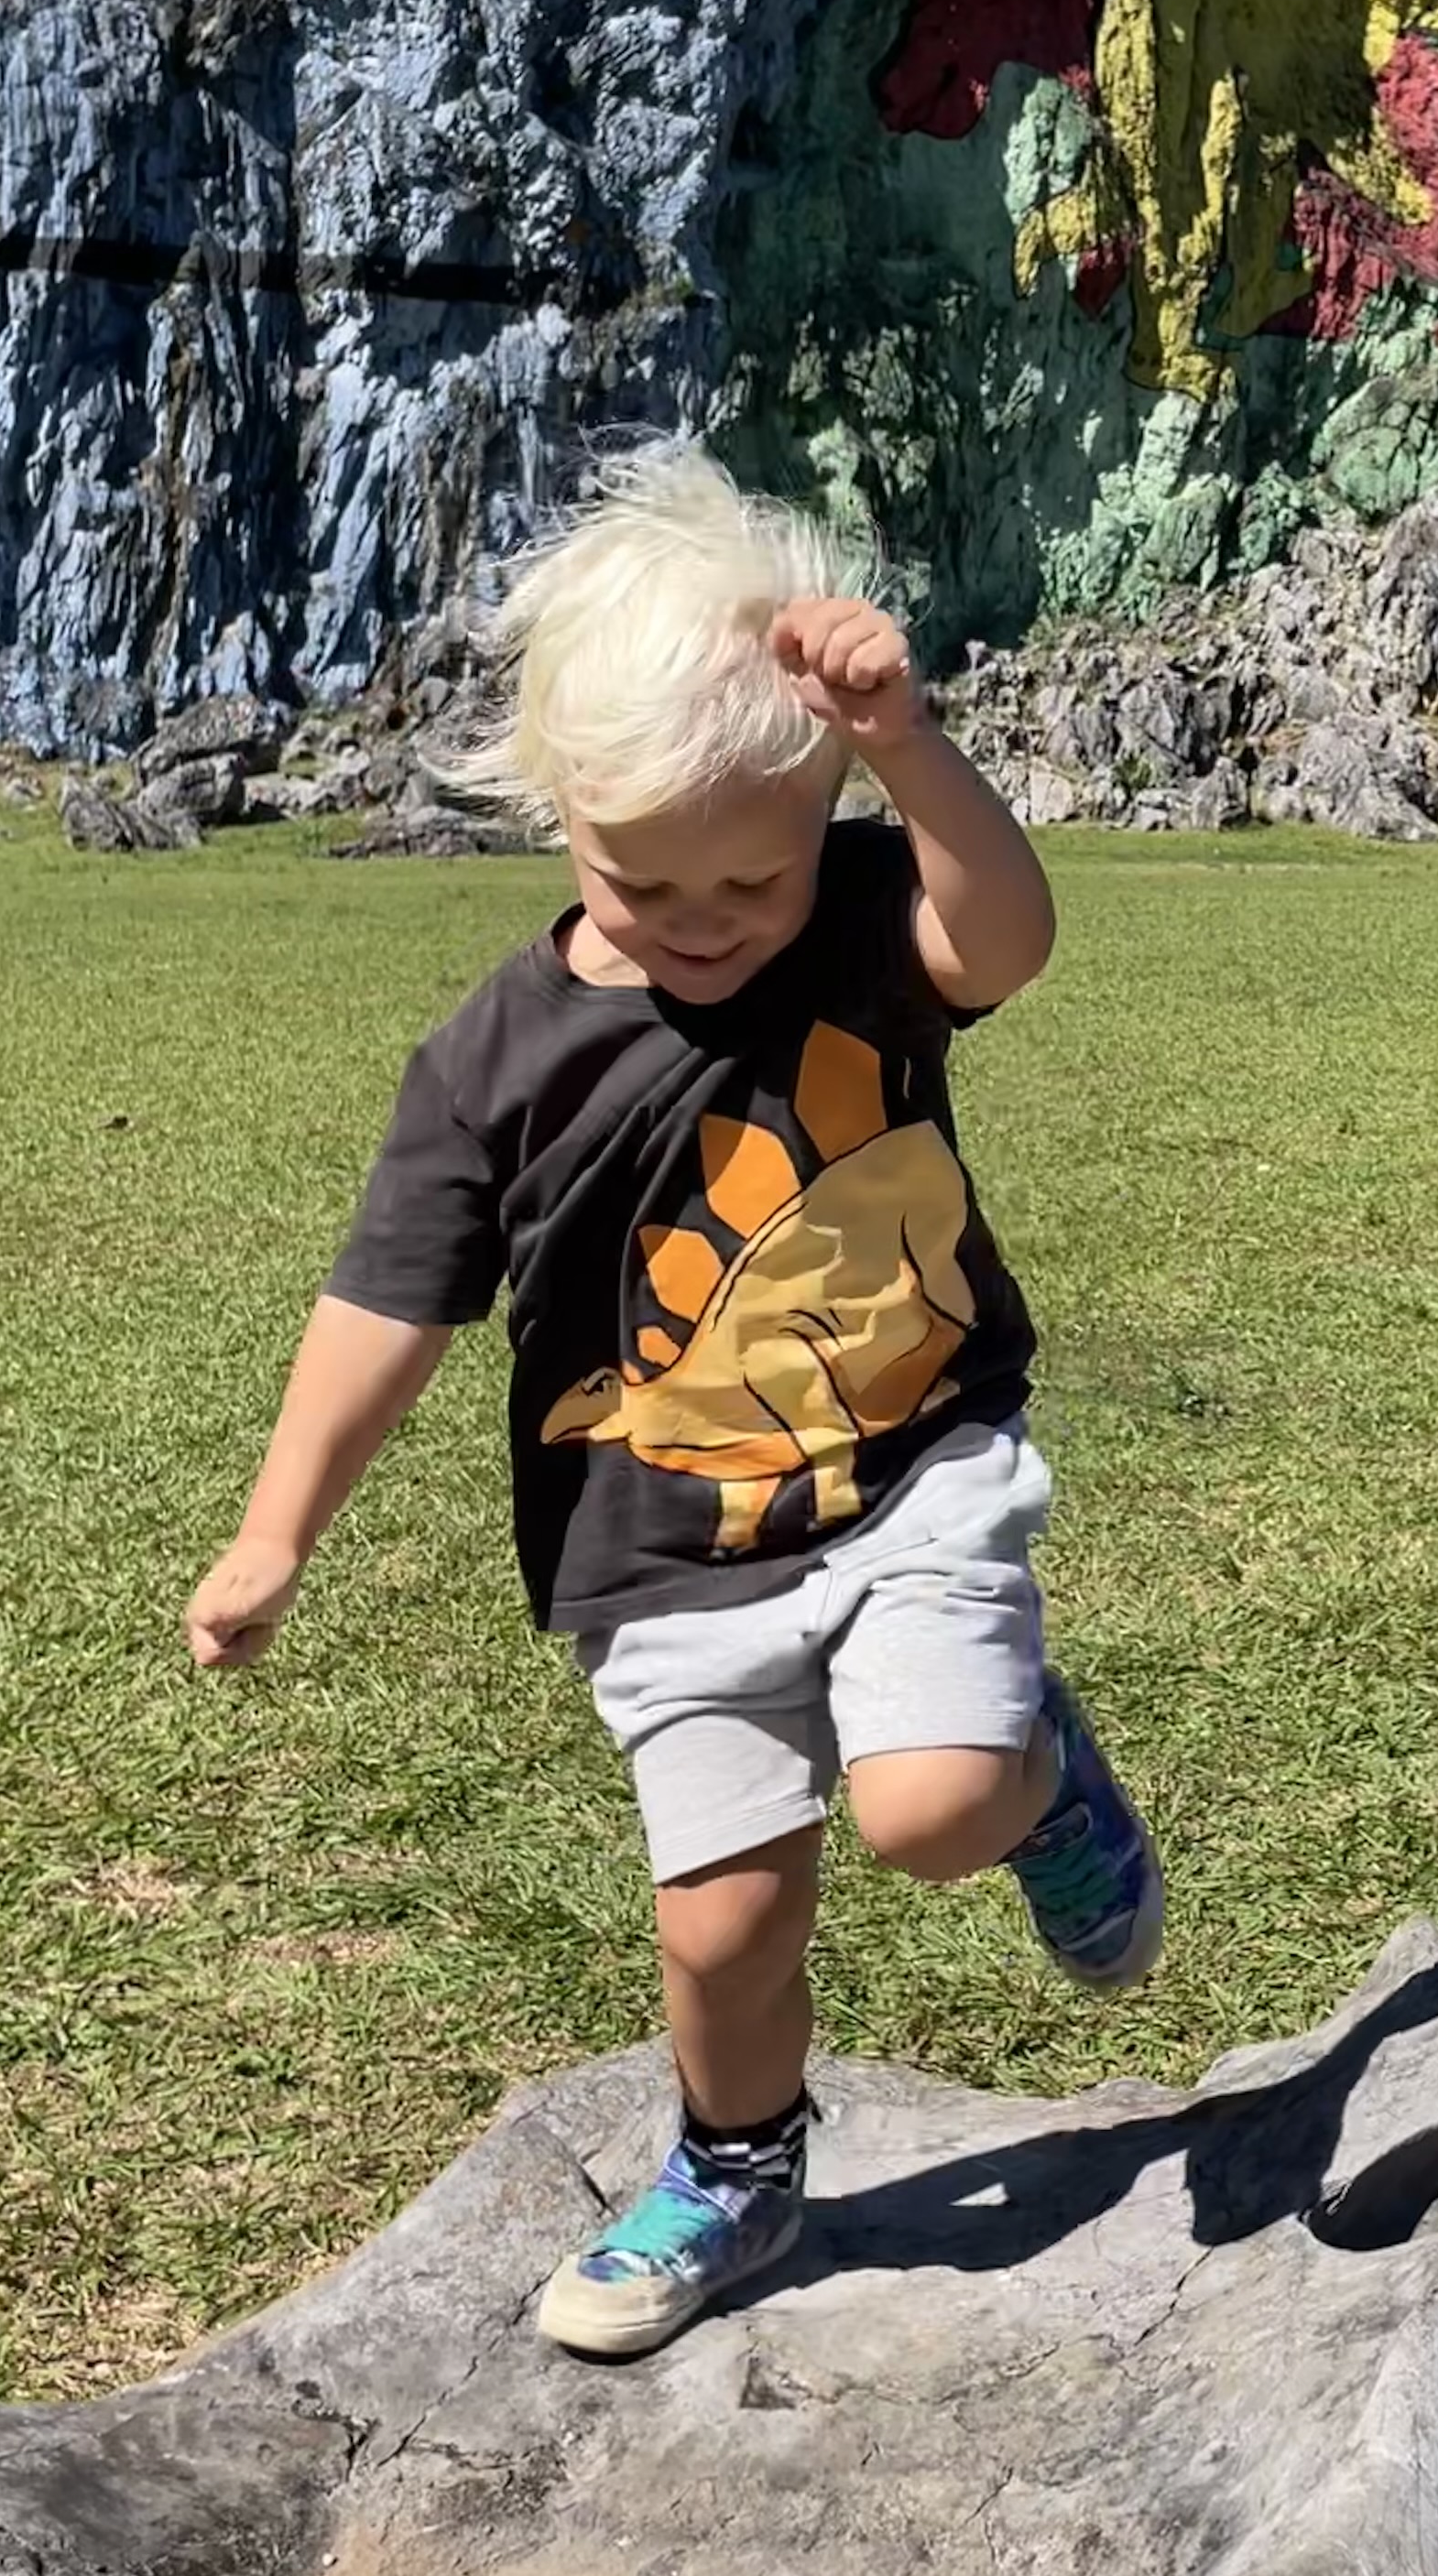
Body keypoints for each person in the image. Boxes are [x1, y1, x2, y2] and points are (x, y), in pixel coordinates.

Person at [180, 442, 1161, 2359]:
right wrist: (275, 1531)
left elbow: (1008, 938)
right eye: (644, 879)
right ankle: (737, 2165)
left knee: (935, 1806)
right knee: (721, 1921)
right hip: (658, 1548)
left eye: (754, 874)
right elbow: (387, 1302)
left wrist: (906, 751)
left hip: (906, 1466)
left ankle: (1044, 1774)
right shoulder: (491, 1063)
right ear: (556, 809)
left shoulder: (862, 921)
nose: (706, 920)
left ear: (821, 816)